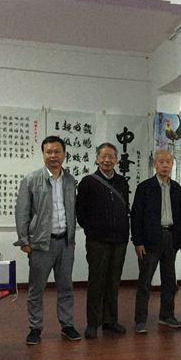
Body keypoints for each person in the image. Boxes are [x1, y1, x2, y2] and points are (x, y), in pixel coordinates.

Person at [14, 136, 81, 344]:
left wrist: (71, 239)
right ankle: (35, 328)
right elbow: (22, 212)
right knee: (36, 289)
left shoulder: (70, 180)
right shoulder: (31, 180)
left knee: (66, 287)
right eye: (49, 152)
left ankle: (67, 325)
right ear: (43, 154)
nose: (53, 155)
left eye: (57, 151)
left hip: (66, 243)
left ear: (64, 154)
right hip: (41, 244)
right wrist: (24, 241)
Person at [76, 142, 130, 339]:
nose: (107, 160)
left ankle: (110, 320)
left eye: (111, 157)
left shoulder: (122, 182)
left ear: (116, 159)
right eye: (103, 156)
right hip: (97, 241)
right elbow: (80, 213)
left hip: (119, 241)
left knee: (113, 282)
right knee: (96, 281)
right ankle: (93, 323)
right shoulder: (87, 182)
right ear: (97, 159)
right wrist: (93, 230)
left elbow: (125, 209)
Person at [131, 149, 181, 333]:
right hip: (150, 240)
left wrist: (178, 240)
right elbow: (136, 216)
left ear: (172, 165)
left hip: (170, 237)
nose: (165, 165)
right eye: (161, 162)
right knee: (145, 282)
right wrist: (138, 242)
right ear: (155, 164)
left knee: (169, 280)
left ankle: (166, 315)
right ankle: (140, 320)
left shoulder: (177, 188)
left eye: (168, 162)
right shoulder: (145, 187)